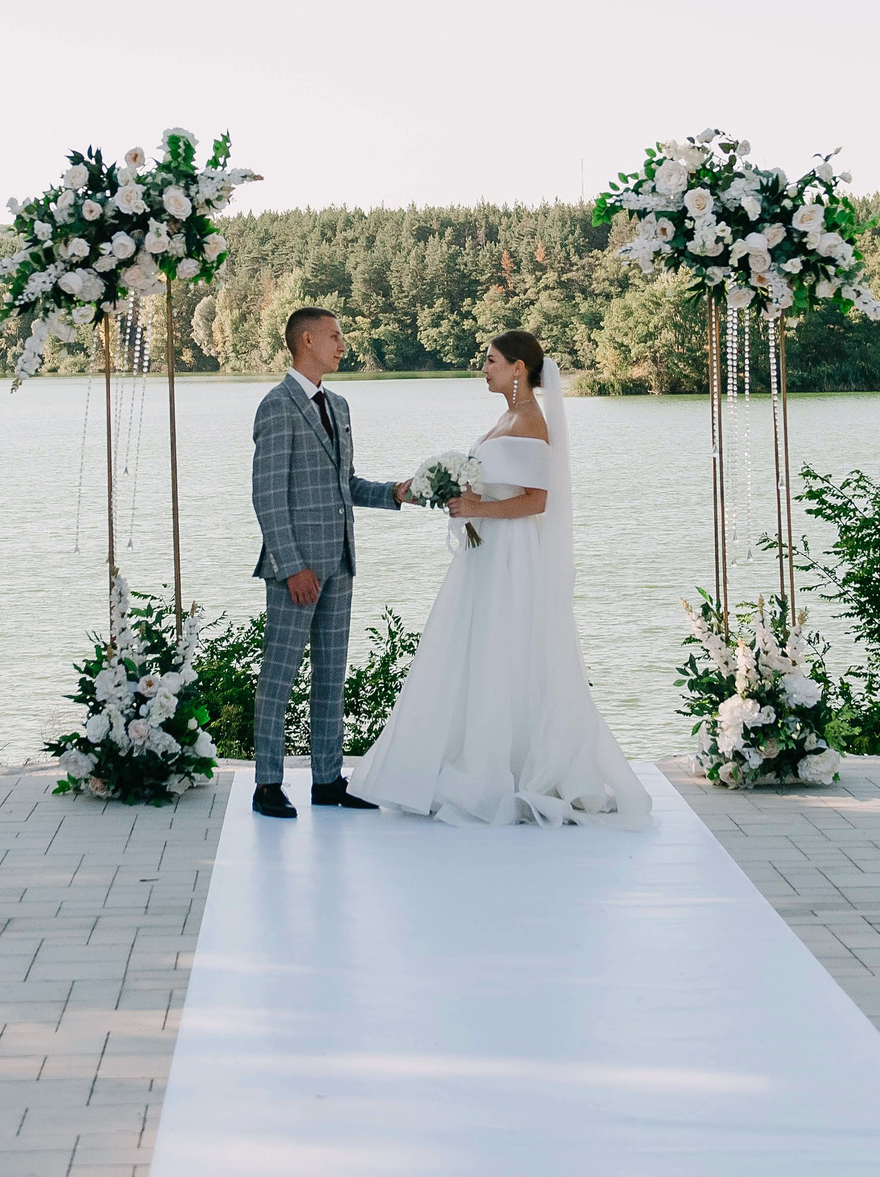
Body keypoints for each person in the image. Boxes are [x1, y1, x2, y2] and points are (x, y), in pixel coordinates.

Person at [352, 331, 651, 826]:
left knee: (505, 647)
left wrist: (478, 505)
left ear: (518, 368)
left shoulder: (531, 420)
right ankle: (457, 759)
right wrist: (459, 493)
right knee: (472, 648)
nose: (483, 368)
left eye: (490, 361)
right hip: (487, 551)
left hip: (513, 555)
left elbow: (538, 499)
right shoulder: (506, 417)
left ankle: (504, 770)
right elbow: (500, 482)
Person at [248, 307, 408, 818]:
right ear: (307, 340)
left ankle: (326, 781)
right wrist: (292, 565)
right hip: (296, 570)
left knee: (330, 675)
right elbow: (268, 496)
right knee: (278, 675)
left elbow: (347, 485)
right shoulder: (276, 406)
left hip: (340, 563)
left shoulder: (337, 404)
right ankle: (267, 784)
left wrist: (395, 493)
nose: (343, 344)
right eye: (336, 336)